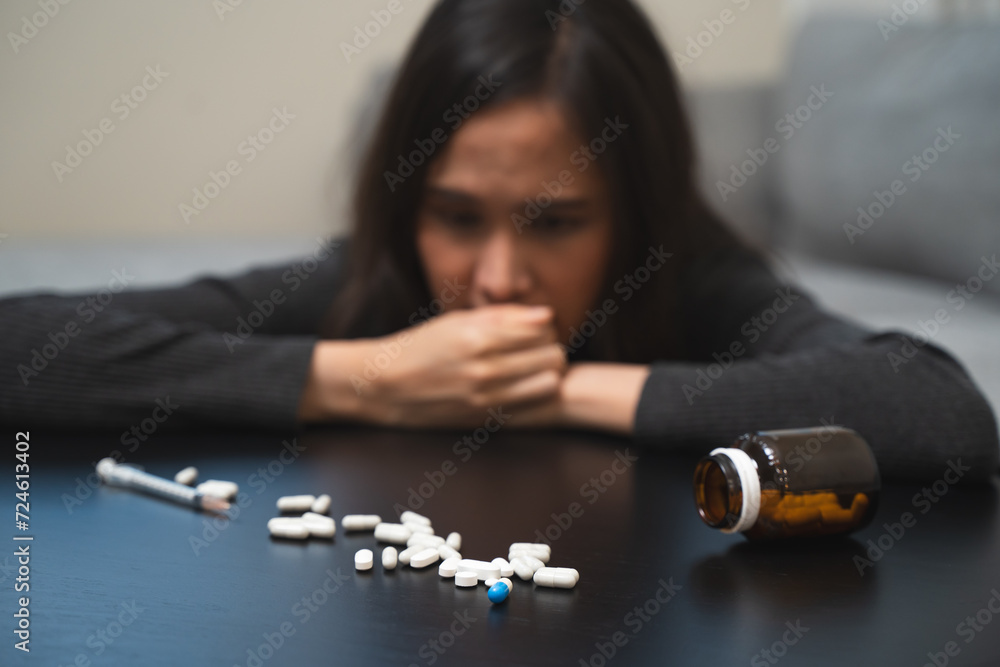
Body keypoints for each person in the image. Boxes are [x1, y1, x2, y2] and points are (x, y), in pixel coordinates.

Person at [1, 0, 997, 480]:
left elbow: (938, 410)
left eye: (555, 223)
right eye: (455, 216)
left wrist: (549, 387)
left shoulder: (696, 285)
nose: (494, 280)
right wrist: (375, 377)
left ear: (634, 213)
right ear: (406, 206)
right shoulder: (374, 285)